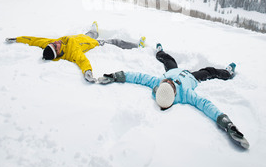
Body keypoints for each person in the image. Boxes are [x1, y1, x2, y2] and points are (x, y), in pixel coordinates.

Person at [98, 44, 249, 149]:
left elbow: (138, 77)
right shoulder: (186, 94)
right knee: (209, 71)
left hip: (174, 69)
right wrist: (227, 124)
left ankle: (159, 52)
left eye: (166, 81)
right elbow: (206, 105)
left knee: (169, 61)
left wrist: (116, 76)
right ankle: (227, 73)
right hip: (191, 76)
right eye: (169, 83)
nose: (168, 81)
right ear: (174, 92)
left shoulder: (159, 82)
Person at [5, 22, 146, 83]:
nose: (56, 43)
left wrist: (17, 39)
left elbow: (34, 40)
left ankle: (94, 27)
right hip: (94, 43)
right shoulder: (72, 52)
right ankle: (137, 46)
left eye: (53, 43)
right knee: (116, 42)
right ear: (59, 54)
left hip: (84, 36)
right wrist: (88, 72)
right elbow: (82, 61)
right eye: (56, 46)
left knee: (92, 32)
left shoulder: (53, 42)